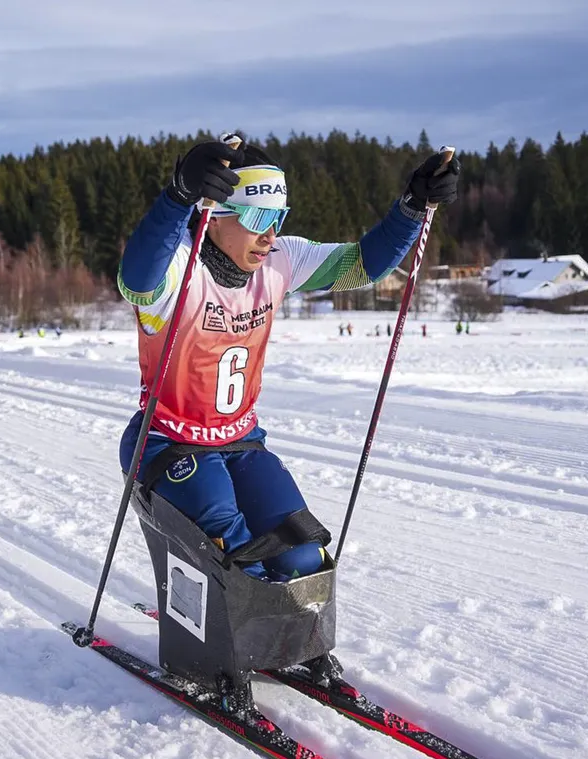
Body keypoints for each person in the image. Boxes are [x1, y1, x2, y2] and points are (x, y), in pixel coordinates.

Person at [117, 137, 459, 582]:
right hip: (168, 442)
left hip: (241, 442)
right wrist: (179, 195)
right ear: (215, 214)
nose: (270, 235)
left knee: (303, 558)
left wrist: (412, 207)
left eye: (278, 218)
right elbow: (137, 280)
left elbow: (363, 265)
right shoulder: (179, 264)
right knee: (239, 562)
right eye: (259, 218)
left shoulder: (281, 260)